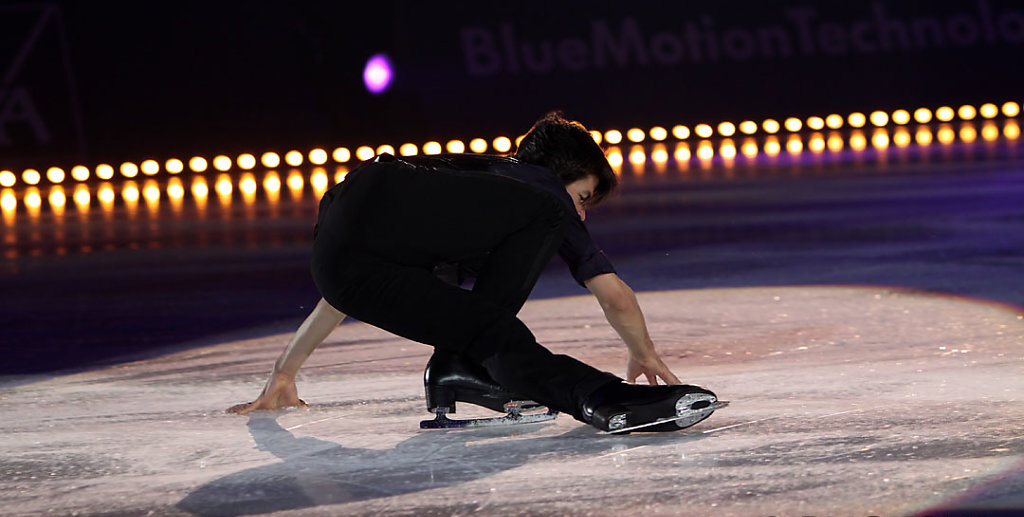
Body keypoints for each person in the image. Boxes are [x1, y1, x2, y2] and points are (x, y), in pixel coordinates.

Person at [228, 111, 720, 432]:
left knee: (485, 329)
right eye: (584, 198)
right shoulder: (542, 194)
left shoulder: (468, 193)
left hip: (343, 242)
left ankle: (455, 366)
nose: (583, 215)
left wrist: (284, 371)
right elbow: (612, 293)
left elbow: (346, 280)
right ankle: (604, 400)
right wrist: (644, 352)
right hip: (371, 201)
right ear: (559, 174)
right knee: (500, 317)